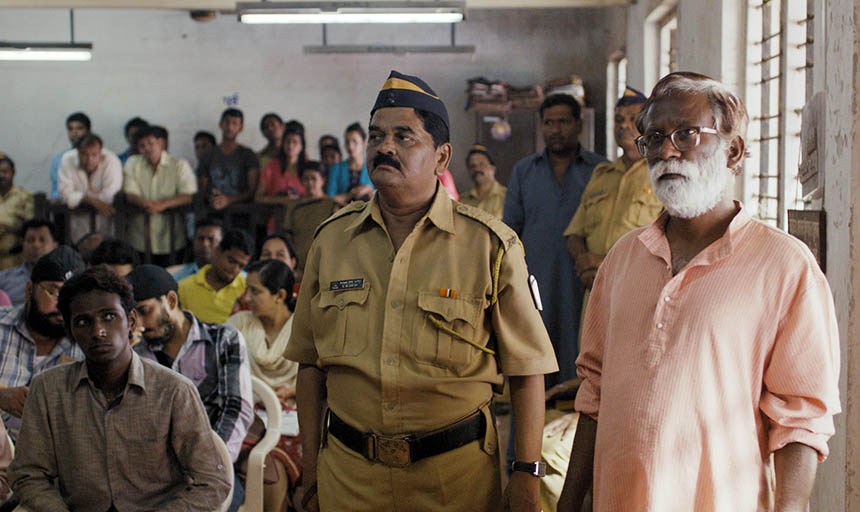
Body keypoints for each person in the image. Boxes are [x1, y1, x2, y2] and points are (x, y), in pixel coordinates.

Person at [558, 72, 841, 512]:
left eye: (686, 134)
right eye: (653, 138)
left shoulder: (784, 266)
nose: (667, 150)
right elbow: (593, 392)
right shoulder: (623, 259)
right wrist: (570, 499)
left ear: (734, 151)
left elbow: (800, 420)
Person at [286, 70, 558, 512]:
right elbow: (310, 368)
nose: (384, 147)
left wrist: (527, 475)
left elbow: (527, 371)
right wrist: (312, 477)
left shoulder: (489, 246)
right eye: (376, 136)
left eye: (403, 137)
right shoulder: (331, 242)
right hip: (349, 479)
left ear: (441, 156)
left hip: (454, 482)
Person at [10, 265, 232, 511]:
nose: (98, 331)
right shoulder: (47, 390)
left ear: (132, 321)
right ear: (71, 332)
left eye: (109, 316)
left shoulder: (173, 390)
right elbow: (28, 474)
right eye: (83, 322)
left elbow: (213, 480)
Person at [127, 264, 253, 511]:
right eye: (133, 317)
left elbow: (237, 409)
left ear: (171, 301)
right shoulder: (135, 352)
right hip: (152, 474)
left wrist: (210, 464)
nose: (139, 324)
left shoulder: (223, 340)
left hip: (212, 469)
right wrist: (125, 354)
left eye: (145, 311)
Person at [503, 94, 606, 388]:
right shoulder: (524, 171)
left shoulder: (600, 171)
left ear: (579, 124)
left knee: (584, 364)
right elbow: (509, 233)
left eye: (563, 122)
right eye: (549, 123)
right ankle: (531, 435)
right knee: (532, 368)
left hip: (584, 287)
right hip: (535, 287)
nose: (556, 129)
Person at [565, 86, 660, 293]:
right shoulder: (602, 175)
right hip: (594, 286)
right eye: (618, 120)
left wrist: (605, 263)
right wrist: (585, 262)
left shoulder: (660, 175)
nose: (624, 125)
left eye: (633, 119)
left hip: (637, 288)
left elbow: (668, 244)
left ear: (649, 125)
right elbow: (575, 235)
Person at [227, 259, 302, 512]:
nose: (247, 297)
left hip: (294, 419)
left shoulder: (304, 329)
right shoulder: (237, 325)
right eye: (248, 289)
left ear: (280, 295)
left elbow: (322, 379)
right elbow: (225, 375)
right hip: (247, 416)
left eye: (255, 291)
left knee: (272, 463)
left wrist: (291, 391)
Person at [0, 246, 85, 439]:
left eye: (71, 298)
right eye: (54, 293)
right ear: (29, 290)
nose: (63, 307)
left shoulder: (86, 343)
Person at [123, 125, 198, 266]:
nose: (147, 149)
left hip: (172, 238)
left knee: (172, 279)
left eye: (151, 143)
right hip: (140, 238)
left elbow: (188, 196)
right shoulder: (133, 163)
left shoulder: (179, 165)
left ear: (161, 143)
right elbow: (130, 194)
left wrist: (162, 205)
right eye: (142, 146)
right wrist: (146, 204)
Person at [57, 133, 123, 243]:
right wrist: (91, 200)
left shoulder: (112, 161)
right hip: (78, 226)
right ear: (77, 151)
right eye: (84, 154)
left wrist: (79, 198)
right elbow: (65, 193)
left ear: (100, 152)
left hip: (106, 223)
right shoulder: (67, 160)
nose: (89, 159)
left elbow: (110, 194)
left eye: (94, 154)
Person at [178, 228, 252, 324]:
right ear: (217, 251)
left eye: (241, 266)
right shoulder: (183, 288)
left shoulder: (248, 289)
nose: (235, 269)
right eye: (231, 261)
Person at [280, 161, 336, 275]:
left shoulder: (332, 206)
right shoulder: (293, 206)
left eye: (314, 179)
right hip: (298, 268)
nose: (310, 183)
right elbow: (288, 236)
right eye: (306, 179)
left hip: (325, 266)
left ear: (323, 181)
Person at [198, 108, 260, 211]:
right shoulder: (207, 155)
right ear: (220, 124)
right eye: (227, 122)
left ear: (241, 127)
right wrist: (211, 199)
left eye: (235, 123)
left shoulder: (248, 155)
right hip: (212, 213)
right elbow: (202, 190)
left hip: (242, 214)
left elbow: (252, 191)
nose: (230, 127)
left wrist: (229, 200)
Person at [0, 220, 58, 306]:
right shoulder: (3, 278)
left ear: (54, 245)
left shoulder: (62, 280)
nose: (36, 245)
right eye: (30, 240)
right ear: (23, 244)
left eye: (42, 240)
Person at [255, 122, 307, 206]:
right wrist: (282, 200)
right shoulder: (271, 166)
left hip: (303, 216)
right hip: (276, 216)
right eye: (287, 142)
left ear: (301, 146)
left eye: (295, 142)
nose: (290, 146)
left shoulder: (308, 168)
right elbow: (258, 198)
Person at [324, 122, 374, 205]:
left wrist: (369, 189)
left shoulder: (373, 167)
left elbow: (381, 196)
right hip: (341, 212)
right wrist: (350, 194)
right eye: (347, 142)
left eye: (354, 141)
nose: (350, 146)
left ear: (363, 142)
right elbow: (330, 198)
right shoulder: (336, 168)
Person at [0, 153, 34, 270]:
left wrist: (8, 229)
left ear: (13, 173)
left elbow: (31, 228)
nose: (1, 175)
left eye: (5, 171)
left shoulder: (24, 196)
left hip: (14, 261)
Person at [49, 112, 91, 199]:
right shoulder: (59, 159)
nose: (74, 132)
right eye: (70, 129)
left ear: (88, 131)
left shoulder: (100, 156)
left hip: (97, 205)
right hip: (66, 206)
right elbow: (57, 190)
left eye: (79, 128)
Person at [169, 216, 223, 282]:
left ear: (222, 244)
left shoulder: (234, 277)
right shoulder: (176, 277)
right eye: (201, 238)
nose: (205, 244)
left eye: (211, 239)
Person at [460, 144, 506, 218]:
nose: (477, 169)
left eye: (481, 164)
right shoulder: (462, 201)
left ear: (493, 169)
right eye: (472, 166)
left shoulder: (506, 197)